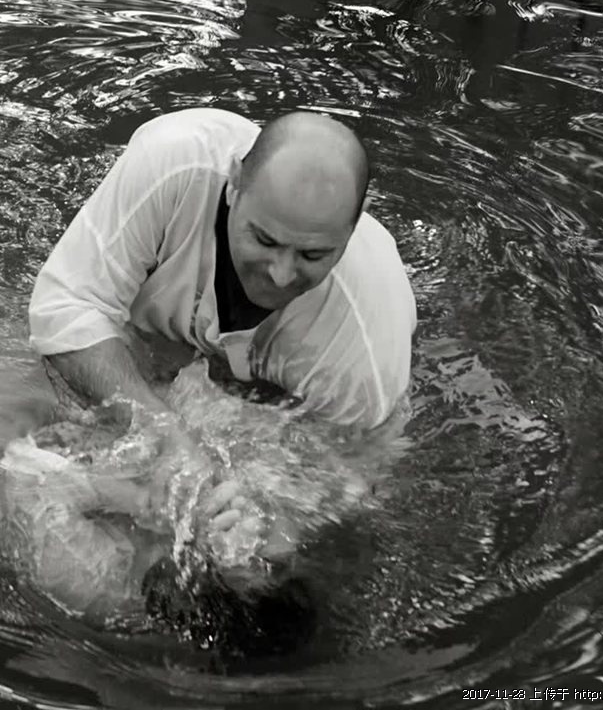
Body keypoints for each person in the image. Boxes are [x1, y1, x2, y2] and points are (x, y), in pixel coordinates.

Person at [27, 108, 416, 533]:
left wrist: (258, 528)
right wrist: (163, 436)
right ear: (233, 183)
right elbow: (65, 307)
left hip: (279, 404)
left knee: (235, 547)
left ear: (354, 225)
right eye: (264, 239)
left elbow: (350, 478)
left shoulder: (367, 338)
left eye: (312, 255)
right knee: (7, 459)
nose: (281, 275)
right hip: (145, 345)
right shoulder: (171, 165)